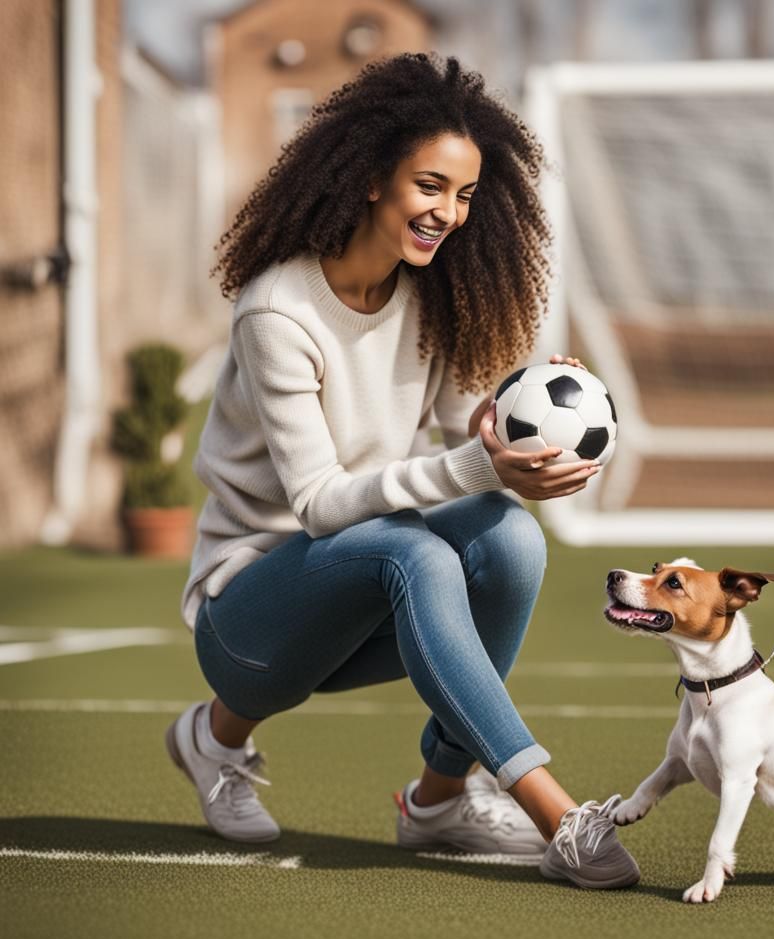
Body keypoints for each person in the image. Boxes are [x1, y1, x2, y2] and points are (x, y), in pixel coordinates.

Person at [168, 53, 638, 889]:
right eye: (430, 186)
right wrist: (478, 464)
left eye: (465, 195)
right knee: (410, 549)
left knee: (510, 537)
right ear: (370, 178)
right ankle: (556, 814)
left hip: (364, 598)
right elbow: (320, 506)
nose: (448, 214)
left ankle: (439, 801)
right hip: (248, 621)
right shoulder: (278, 313)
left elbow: (467, 440)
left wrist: (532, 423)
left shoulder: (432, 297)